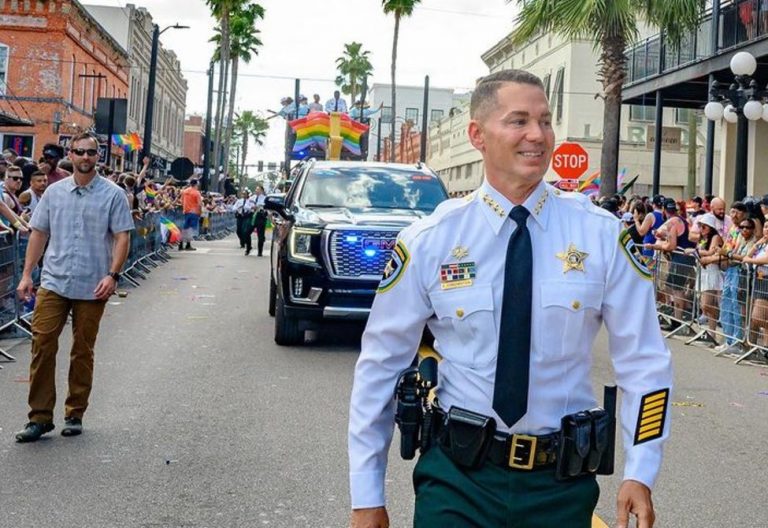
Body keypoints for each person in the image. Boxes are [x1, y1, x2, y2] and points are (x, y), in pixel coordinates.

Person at [348, 69, 671, 528]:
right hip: (457, 480)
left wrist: (641, 471)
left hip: (561, 487)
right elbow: (380, 366)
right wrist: (366, 495)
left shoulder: (601, 236)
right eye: (518, 121)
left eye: (545, 121)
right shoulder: (430, 241)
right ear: (477, 135)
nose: (537, 135)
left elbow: (645, 363)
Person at [14, 132, 134, 442]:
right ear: (71, 153)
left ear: (98, 156)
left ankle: (75, 412)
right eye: (79, 152)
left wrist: (113, 275)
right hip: (54, 280)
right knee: (42, 343)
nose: (85, 157)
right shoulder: (54, 193)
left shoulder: (113, 194)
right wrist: (27, 275)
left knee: (82, 350)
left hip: (93, 284)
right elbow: (39, 233)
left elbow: (122, 236)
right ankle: (39, 417)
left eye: (90, 152)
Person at [685, 213, 723, 342]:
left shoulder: (715, 237)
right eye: (700, 226)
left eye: (704, 226)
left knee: (707, 304)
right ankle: (711, 334)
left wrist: (694, 251)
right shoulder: (702, 238)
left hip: (712, 271)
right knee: (704, 305)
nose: (701, 229)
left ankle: (713, 331)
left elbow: (711, 252)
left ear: (710, 227)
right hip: (702, 271)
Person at [179, 179, 202, 251]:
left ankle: (181, 244)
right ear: (196, 184)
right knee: (190, 229)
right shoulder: (196, 193)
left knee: (185, 228)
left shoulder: (185, 191)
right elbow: (199, 204)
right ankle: (188, 245)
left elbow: (181, 201)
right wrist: (200, 212)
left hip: (186, 211)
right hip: (194, 212)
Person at [233, 190, 255, 255]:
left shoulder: (250, 201)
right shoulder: (239, 201)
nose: (243, 195)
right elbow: (234, 208)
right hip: (240, 216)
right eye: (243, 194)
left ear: (247, 194)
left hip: (246, 216)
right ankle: (242, 241)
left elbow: (252, 208)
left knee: (244, 230)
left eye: (245, 194)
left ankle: (245, 243)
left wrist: (246, 207)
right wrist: (237, 208)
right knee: (238, 231)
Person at [252, 185, 268, 257]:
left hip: (260, 216)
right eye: (256, 189)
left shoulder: (265, 198)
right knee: (246, 232)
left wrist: (258, 206)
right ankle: (248, 247)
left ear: (261, 191)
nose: (256, 191)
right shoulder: (253, 197)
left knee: (260, 235)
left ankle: (260, 251)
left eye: (258, 189)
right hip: (252, 216)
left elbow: (265, 206)